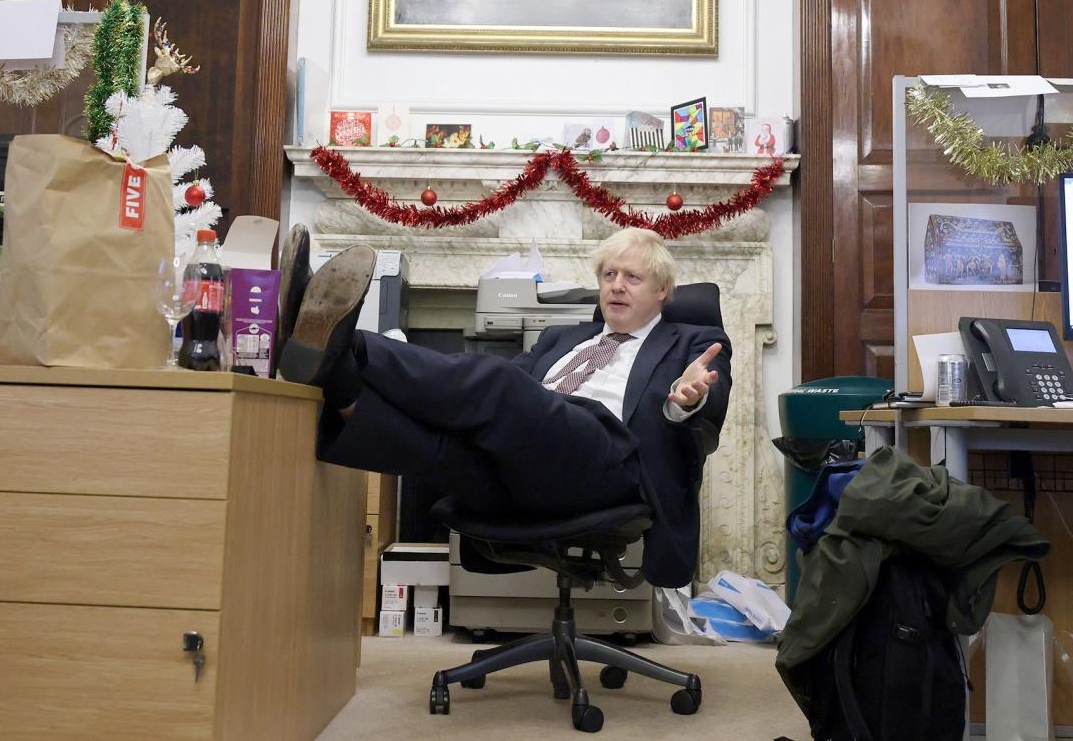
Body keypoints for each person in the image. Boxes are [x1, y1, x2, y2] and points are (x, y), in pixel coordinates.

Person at [277, 227, 732, 588]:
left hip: (609, 460)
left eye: (632, 277)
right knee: (439, 450)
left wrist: (685, 403)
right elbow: (492, 399)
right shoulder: (563, 338)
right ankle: (338, 381)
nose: (616, 286)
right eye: (608, 275)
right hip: (527, 461)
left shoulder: (694, 342)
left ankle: (346, 344)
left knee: (498, 380)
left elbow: (707, 413)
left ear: (663, 291)